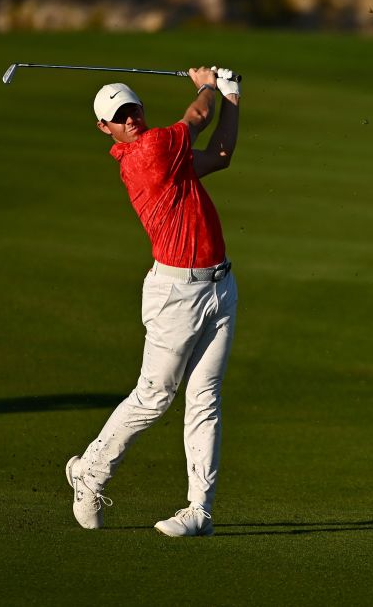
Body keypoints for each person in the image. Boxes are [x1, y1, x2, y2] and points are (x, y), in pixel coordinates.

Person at [65, 66, 241, 537]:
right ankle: (90, 472)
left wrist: (233, 96)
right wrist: (207, 83)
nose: (130, 118)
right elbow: (198, 114)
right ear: (107, 128)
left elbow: (221, 155)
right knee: (154, 397)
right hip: (175, 295)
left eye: (133, 109)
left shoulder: (167, 152)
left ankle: (198, 511)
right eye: (119, 116)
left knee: (205, 399)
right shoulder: (146, 152)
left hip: (219, 285)